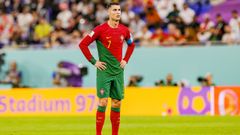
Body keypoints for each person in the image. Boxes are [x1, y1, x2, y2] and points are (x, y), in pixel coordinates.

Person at [79, 2, 135, 135]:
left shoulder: (124, 30)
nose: (118, 12)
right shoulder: (100, 29)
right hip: (104, 72)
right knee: (103, 101)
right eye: (114, 10)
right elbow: (83, 44)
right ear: (109, 13)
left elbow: (131, 45)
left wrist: (125, 59)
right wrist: (94, 61)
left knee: (116, 103)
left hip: (118, 72)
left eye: (119, 10)